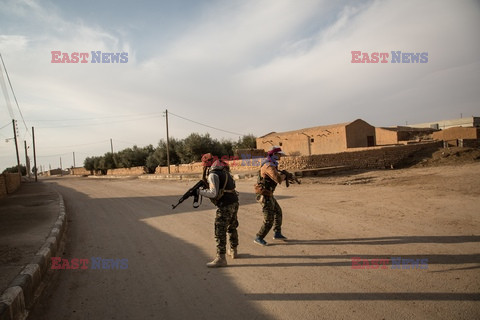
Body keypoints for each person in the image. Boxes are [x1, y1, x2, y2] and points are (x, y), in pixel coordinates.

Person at [199, 153, 239, 268]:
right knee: (232, 226)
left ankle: (221, 258)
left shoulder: (213, 174)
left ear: (206, 164)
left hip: (225, 204)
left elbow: (213, 193)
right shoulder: (224, 170)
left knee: (220, 230)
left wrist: (199, 192)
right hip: (234, 201)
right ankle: (233, 250)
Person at [254, 146, 288, 246]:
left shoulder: (272, 165)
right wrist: (285, 176)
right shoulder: (268, 166)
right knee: (269, 219)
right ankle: (258, 237)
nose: (280, 157)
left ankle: (277, 233)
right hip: (264, 195)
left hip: (269, 194)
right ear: (273, 155)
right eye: (278, 155)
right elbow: (277, 179)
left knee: (278, 212)